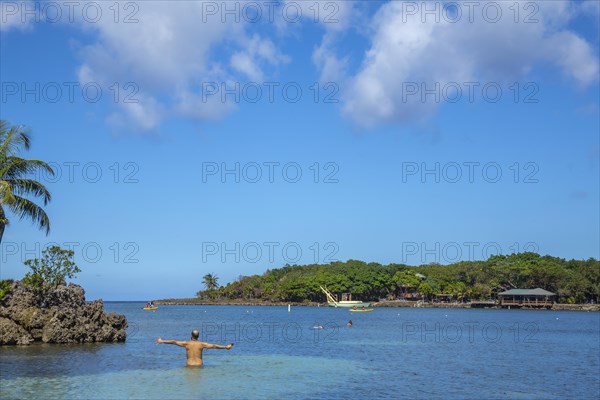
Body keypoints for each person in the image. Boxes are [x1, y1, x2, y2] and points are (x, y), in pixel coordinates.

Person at [156, 329, 234, 367]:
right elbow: (214, 346)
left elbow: (173, 341)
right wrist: (225, 347)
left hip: (189, 365)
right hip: (199, 365)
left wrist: (161, 341)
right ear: (198, 336)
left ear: (191, 335)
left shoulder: (186, 343)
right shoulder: (202, 344)